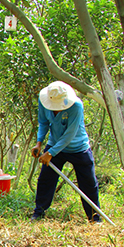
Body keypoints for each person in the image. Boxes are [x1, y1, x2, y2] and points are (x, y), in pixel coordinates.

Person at [30, 81, 101, 222]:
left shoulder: (76, 106)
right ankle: (39, 213)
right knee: (45, 180)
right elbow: (43, 122)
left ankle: (95, 217)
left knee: (88, 183)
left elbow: (70, 134)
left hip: (78, 147)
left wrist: (50, 153)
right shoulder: (44, 102)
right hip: (54, 143)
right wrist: (39, 143)